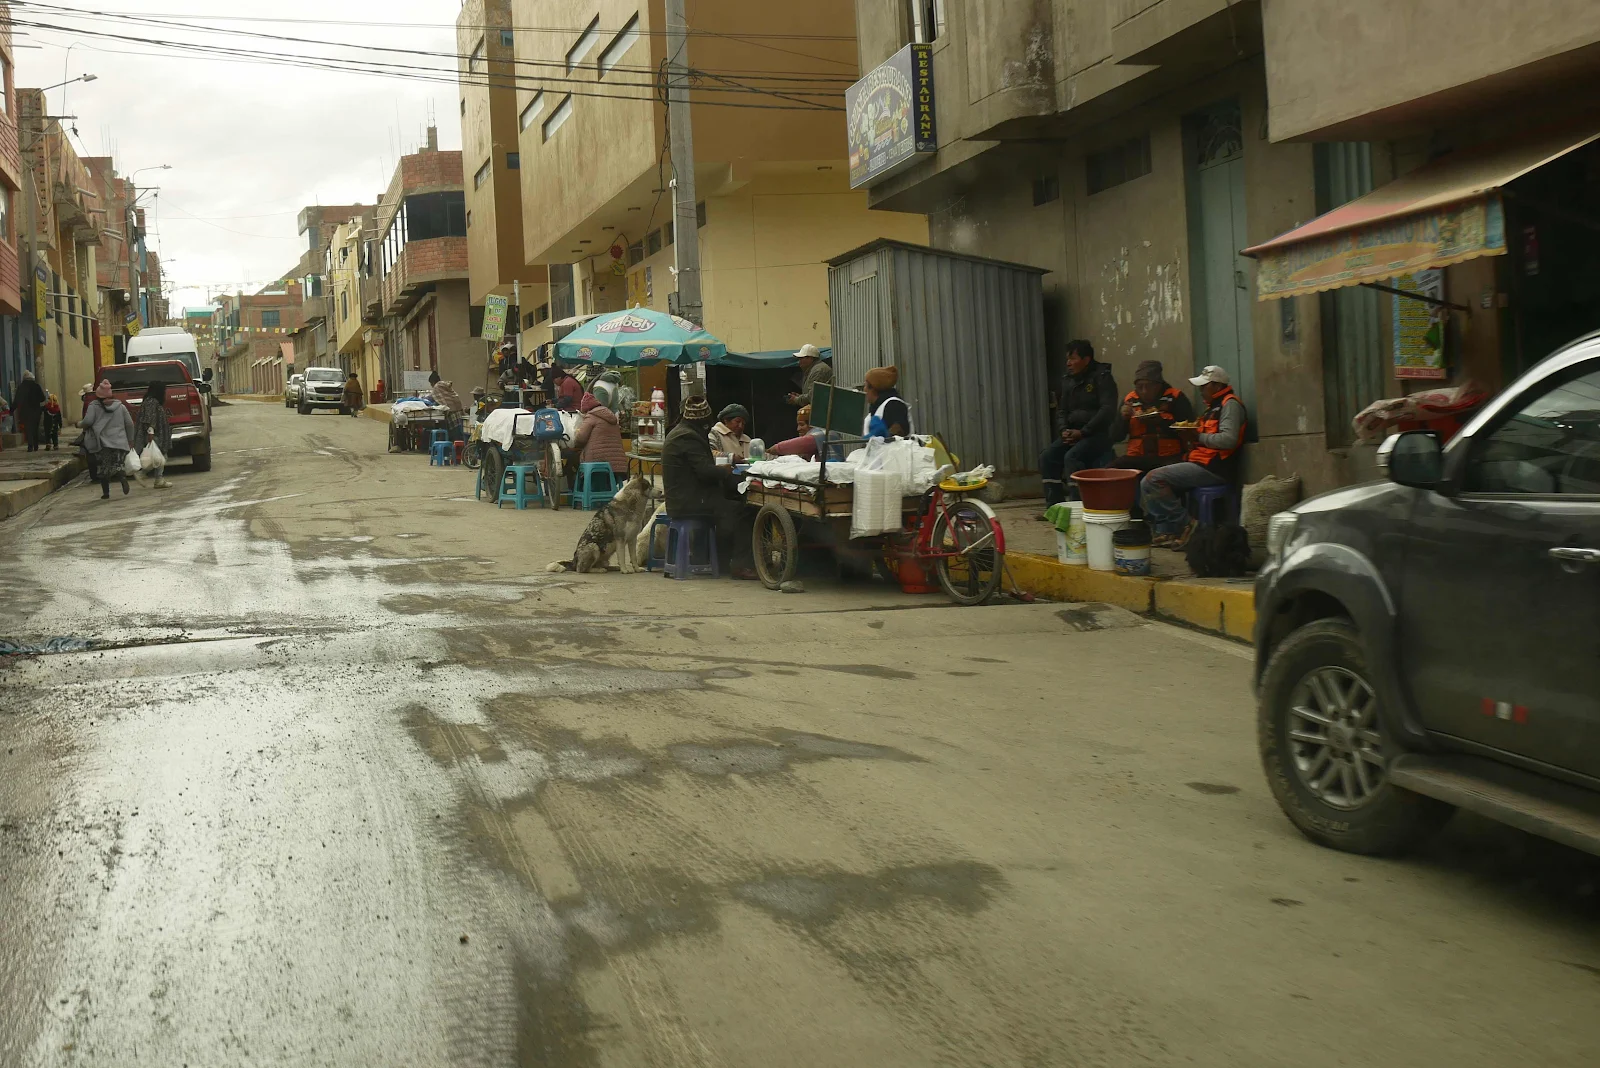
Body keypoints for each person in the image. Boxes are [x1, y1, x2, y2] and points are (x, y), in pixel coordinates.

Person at [1141, 365, 1249, 549]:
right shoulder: (1211, 408)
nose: (1200, 391)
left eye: (1204, 386)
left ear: (1217, 386)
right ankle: (1169, 530)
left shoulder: (1230, 405)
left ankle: (1188, 525)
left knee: (1152, 480)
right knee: (1155, 475)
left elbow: (1228, 440)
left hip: (1215, 467)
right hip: (1200, 461)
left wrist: (1198, 436)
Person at [661, 394, 755, 578]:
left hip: (685, 497)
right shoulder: (688, 437)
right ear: (702, 420)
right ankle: (740, 565)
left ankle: (720, 560)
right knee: (743, 510)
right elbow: (705, 471)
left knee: (729, 505)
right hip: (689, 502)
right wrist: (726, 471)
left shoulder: (682, 432)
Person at [1039, 339, 1118, 508]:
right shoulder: (1068, 380)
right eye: (1067, 359)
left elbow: (1107, 410)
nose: (1068, 363)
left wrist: (1084, 432)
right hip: (1074, 434)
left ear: (1086, 359)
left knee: (1072, 457)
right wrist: (1064, 430)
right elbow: (1062, 410)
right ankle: (1055, 507)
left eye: (1072, 359)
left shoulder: (1102, 377)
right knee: (1047, 457)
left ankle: (1078, 508)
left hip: (1097, 435)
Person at [1109, 360, 1194, 515]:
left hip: (1169, 457)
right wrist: (1122, 419)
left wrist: (1160, 421)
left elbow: (1189, 430)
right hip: (1137, 456)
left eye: (1148, 386)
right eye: (1139, 386)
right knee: (1112, 469)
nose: (1143, 391)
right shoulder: (1129, 400)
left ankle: (1169, 517)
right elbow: (1115, 436)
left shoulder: (1175, 397)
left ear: (1158, 385)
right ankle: (1132, 514)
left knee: (1162, 477)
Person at [79, 380, 136, 500]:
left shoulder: (94, 406)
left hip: (103, 443)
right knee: (119, 463)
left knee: (105, 466)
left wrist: (79, 424)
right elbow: (129, 424)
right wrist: (130, 440)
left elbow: (88, 421)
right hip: (120, 442)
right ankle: (121, 475)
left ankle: (106, 493)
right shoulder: (120, 406)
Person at [572, 392, 628, 476]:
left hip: (596, 465)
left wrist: (575, 440)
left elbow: (581, 439)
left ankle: (581, 484)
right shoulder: (611, 416)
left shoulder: (591, 417)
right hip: (619, 467)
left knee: (572, 458)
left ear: (587, 409)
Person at [134, 380, 174, 489]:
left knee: (159, 456)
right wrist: (150, 432)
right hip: (154, 434)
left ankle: (157, 479)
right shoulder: (151, 402)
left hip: (156, 433)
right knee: (160, 457)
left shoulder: (150, 401)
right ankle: (148, 475)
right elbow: (150, 418)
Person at [862, 366, 911, 440]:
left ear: (873, 388)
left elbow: (899, 432)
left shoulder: (894, 405)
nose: (864, 389)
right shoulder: (874, 409)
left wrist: (883, 436)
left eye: (865, 385)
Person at [11, 369, 45, 452]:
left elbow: (17, 400)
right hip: (36, 411)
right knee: (35, 428)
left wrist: (11, 410)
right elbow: (43, 398)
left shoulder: (21, 387)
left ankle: (30, 446)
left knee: (28, 428)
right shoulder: (36, 386)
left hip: (26, 411)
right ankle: (36, 446)